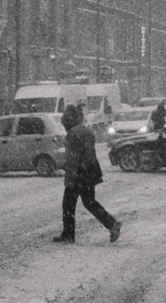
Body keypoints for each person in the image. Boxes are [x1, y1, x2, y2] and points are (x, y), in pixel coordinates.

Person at [54, 104, 121, 244]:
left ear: (68, 120)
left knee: (68, 204)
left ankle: (68, 234)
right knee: (90, 202)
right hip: (90, 170)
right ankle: (111, 223)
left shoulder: (73, 134)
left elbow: (73, 158)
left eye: (64, 121)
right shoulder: (86, 130)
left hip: (79, 173)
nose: (64, 124)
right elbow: (88, 152)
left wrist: (70, 175)